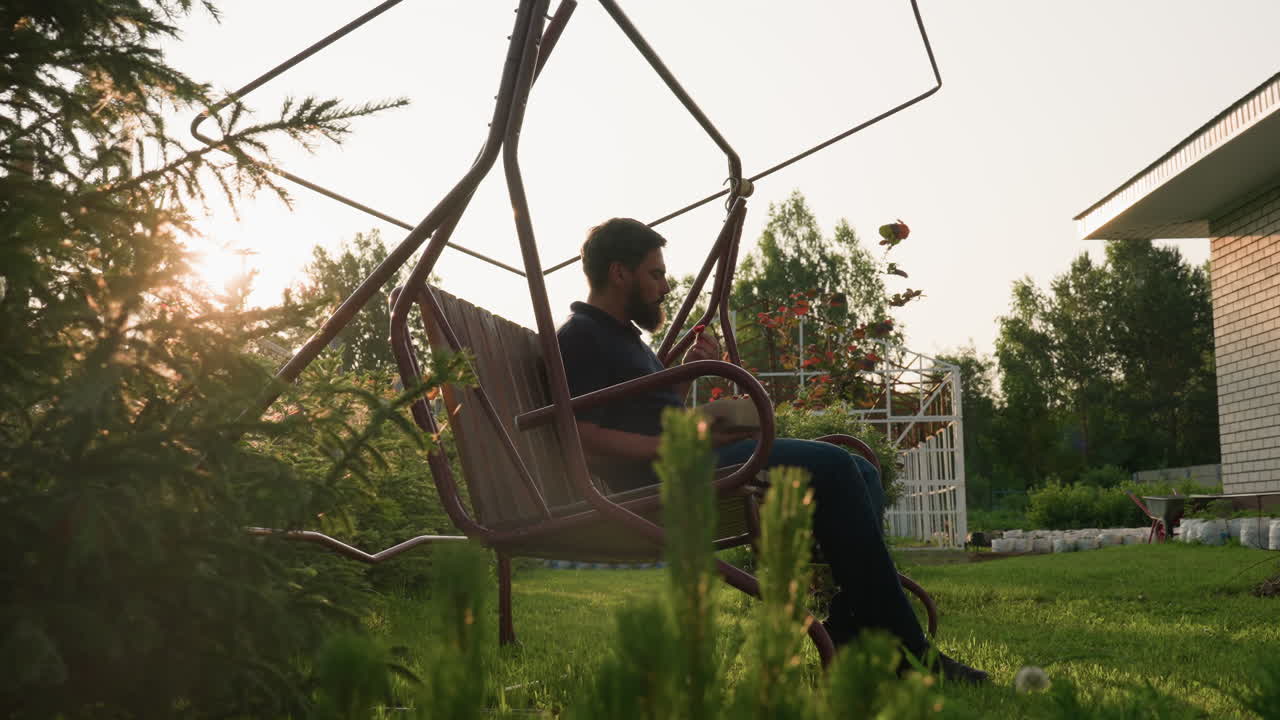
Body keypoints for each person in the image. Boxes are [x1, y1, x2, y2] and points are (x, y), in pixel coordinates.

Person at [556, 217, 989, 684]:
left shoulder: (624, 338)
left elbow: (643, 415)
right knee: (838, 467)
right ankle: (910, 653)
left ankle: (847, 627)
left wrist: (687, 374)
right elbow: (580, 436)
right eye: (655, 274)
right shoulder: (580, 335)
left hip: (679, 466)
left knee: (859, 470)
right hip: (657, 486)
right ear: (620, 273)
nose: (665, 285)